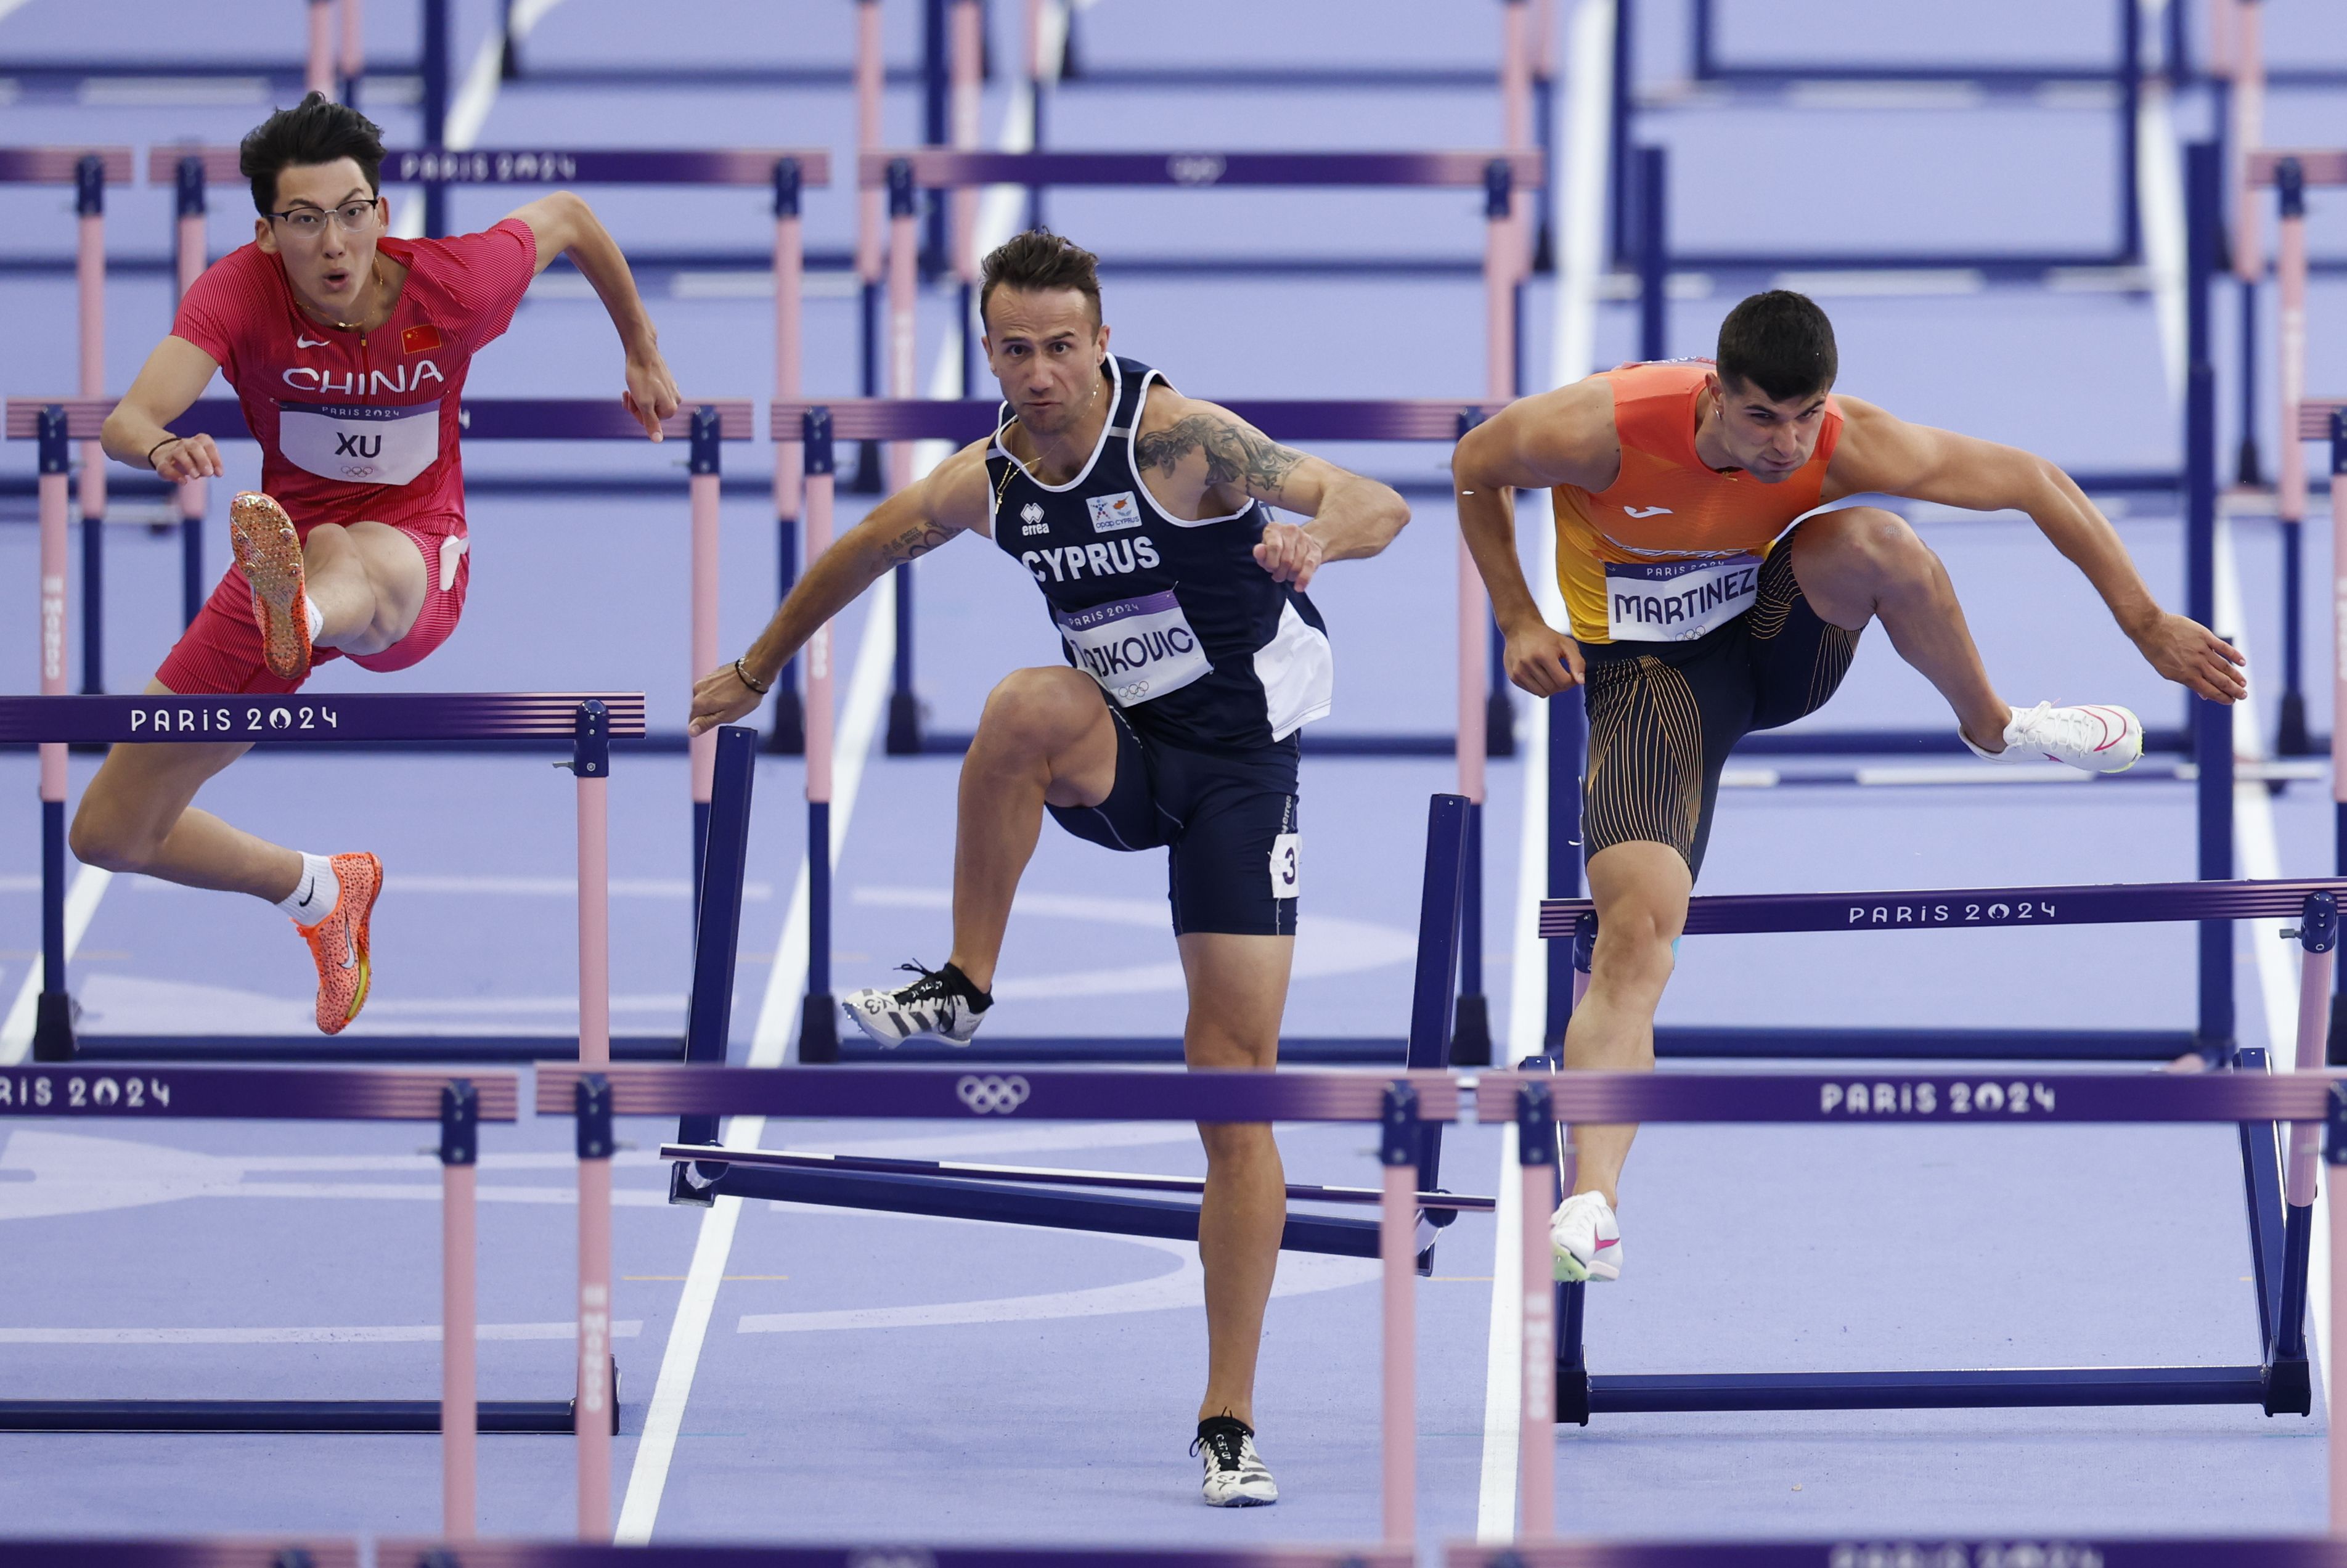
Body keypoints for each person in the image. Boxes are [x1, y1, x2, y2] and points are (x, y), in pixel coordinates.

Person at [688, 229, 1410, 1506]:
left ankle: (1227, 1420)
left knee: (1232, 1092)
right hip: (1119, 755)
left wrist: (1317, 546)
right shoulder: (991, 478)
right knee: (1024, 702)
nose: (1037, 374)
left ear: (1101, 342)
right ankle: (966, 981)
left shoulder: (1182, 444)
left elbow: (1373, 500)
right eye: (1013, 351)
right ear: (987, 352)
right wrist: (755, 666)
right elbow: (865, 547)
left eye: (1059, 349)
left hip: (1241, 775)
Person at [1450, 290, 2246, 1284]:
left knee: (1876, 540)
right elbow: (1475, 469)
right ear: (1713, 393)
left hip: (1782, 643)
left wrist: (2147, 625)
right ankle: (1595, 1202)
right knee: (1634, 936)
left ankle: (1995, 727)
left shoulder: (1843, 439)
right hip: (1649, 683)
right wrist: (1521, 618)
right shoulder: (1598, 429)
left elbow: (2034, 481)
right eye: (1760, 418)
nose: (1787, 445)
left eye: (1805, 415)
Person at [71, 92, 680, 1034]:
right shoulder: (238, 290)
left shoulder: (457, 285)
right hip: (276, 563)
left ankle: (303, 618)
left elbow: (567, 217)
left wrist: (640, 349)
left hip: (414, 556)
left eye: (351, 213)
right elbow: (128, 418)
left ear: (382, 215)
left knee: (340, 554)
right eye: (305, 221)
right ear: (270, 234)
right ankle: (321, 892)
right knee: (110, 831)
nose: (333, 244)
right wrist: (161, 449)